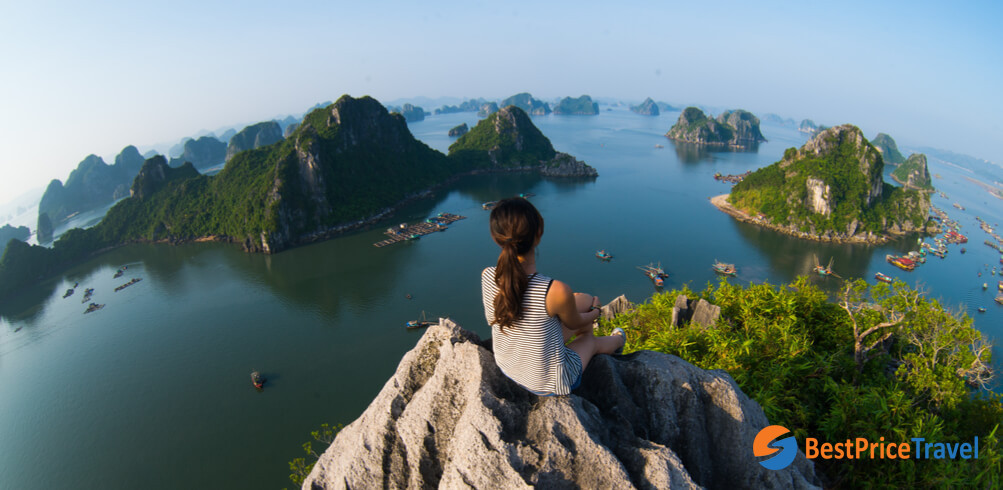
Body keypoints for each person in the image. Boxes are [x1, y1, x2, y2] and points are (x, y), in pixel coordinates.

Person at [481, 197, 625, 396]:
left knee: (582, 299)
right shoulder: (554, 290)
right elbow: (574, 323)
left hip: (508, 364)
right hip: (547, 382)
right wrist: (596, 311)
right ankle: (618, 340)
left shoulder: (489, 275)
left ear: (496, 237)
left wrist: (587, 306)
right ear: (538, 234)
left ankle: (588, 334)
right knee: (590, 341)